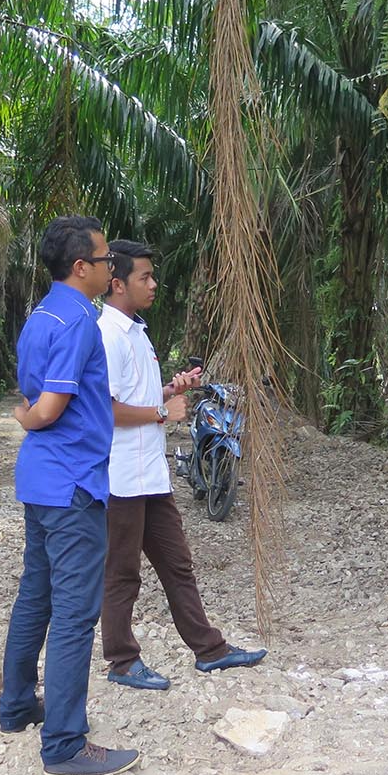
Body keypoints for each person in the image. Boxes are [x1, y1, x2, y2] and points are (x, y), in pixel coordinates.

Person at [0, 215, 140, 775]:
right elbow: (50, 407)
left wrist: (31, 414)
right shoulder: (81, 320)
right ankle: (63, 744)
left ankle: (17, 706)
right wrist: (26, 419)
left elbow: (34, 388)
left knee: (36, 596)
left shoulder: (40, 315)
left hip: (41, 482)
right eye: (106, 260)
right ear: (82, 267)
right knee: (76, 614)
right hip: (73, 483)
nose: (111, 268)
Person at [96, 238, 267, 690]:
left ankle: (209, 649)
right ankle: (122, 660)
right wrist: (160, 411)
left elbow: (137, 397)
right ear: (117, 284)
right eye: (145, 277)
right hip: (121, 477)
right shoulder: (107, 335)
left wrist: (172, 390)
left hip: (150, 474)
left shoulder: (137, 331)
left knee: (177, 564)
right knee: (122, 572)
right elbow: (103, 409)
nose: (154, 284)